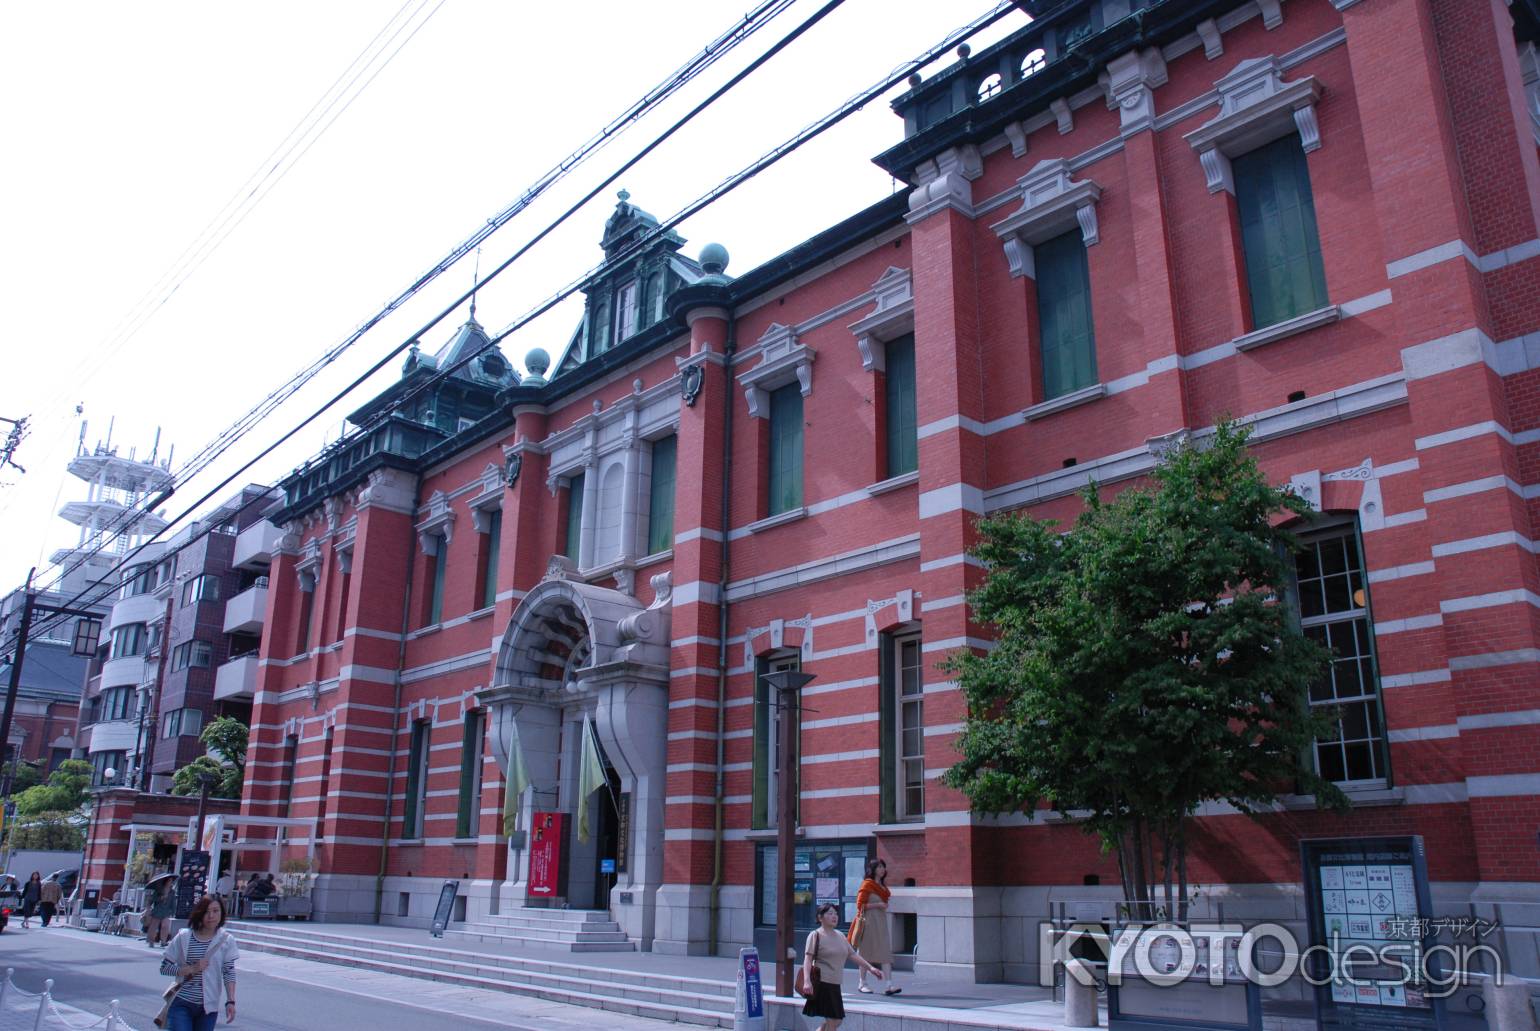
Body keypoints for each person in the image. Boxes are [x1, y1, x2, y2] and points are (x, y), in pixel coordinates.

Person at [159, 893, 238, 1030]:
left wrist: (230, 1001)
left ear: (222, 913)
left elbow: (229, 971)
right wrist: (191, 969)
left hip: (209, 1007)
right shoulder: (184, 936)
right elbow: (164, 968)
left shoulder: (226, 940)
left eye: (215, 911)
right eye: (206, 912)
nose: (211, 916)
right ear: (199, 913)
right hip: (182, 1002)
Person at [801, 902, 882, 1031]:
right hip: (822, 983)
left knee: (836, 1021)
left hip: (835, 983)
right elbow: (807, 959)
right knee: (833, 1021)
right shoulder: (815, 935)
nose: (834, 916)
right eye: (830, 913)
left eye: (836, 914)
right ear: (820, 917)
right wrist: (806, 981)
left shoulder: (840, 935)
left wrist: (870, 968)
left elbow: (852, 954)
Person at [853, 858, 900, 995]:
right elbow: (860, 905)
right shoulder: (867, 884)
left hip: (881, 922)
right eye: (879, 867)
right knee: (865, 952)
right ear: (873, 869)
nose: (882, 869)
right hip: (868, 922)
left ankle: (889, 985)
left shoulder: (883, 887)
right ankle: (862, 983)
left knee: (885, 952)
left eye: (883, 867)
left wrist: (882, 905)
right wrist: (877, 905)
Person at [147, 879, 177, 947]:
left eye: (171, 881)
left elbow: (173, 902)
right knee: (154, 927)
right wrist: (160, 898)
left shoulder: (172, 892)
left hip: (166, 911)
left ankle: (163, 941)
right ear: (165, 882)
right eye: (169, 881)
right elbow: (153, 899)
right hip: (157, 910)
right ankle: (151, 941)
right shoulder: (158, 890)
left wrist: (173, 911)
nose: (171, 883)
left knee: (165, 926)